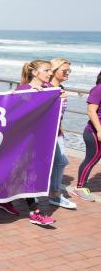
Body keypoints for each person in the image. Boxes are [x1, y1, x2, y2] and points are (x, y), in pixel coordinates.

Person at [1, 60, 58, 225]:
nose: (50, 74)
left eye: (50, 71)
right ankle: (35, 212)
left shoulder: (50, 89)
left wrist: (58, 99)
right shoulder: (23, 89)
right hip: (23, 142)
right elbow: (15, 112)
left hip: (40, 140)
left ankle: (3, 199)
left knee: (19, 174)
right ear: (35, 72)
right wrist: (30, 96)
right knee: (28, 176)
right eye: (46, 70)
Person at [48, 58, 76, 209]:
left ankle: (54, 194)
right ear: (53, 71)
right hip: (47, 134)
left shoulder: (61, 88)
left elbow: (60, 116)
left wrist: (61, 132)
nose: (67, 73)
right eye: (64, 70)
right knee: (58, 162)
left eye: (68, 71)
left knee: (60, 161)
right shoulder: (47, 89)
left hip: (57, 132)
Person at [75, 70, 101, 203]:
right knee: (92, 158)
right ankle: (80, 187)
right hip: (94, 132)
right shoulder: (98, 89)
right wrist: (99, 130)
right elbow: (91, 111)